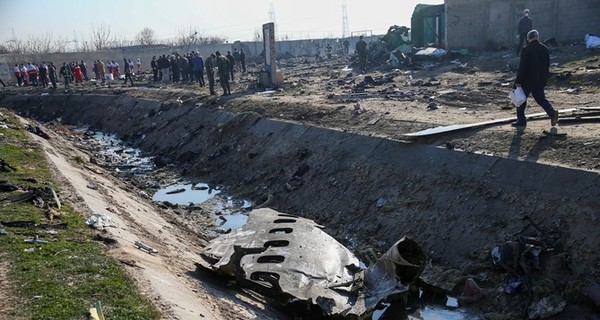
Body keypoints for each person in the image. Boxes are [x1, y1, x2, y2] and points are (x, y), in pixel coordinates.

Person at [513, 29, 558, 128]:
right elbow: (547, 66)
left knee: (521, 100)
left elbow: (523, 66)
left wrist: (518, 81)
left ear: (528, 38)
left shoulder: (526, 49)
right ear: (537, 37)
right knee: (541, 99)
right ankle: (552, 113)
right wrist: (544, 79)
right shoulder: (545, 48)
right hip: (539, 79)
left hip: (527, 80)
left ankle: (521, 120)